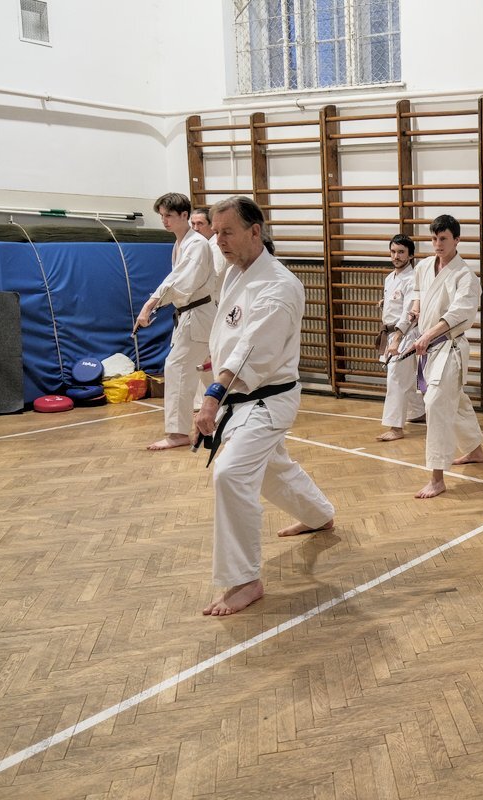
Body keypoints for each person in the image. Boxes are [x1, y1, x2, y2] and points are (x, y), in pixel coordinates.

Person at [195, 196, 335, 616]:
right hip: (243, 396)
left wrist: (213, 393)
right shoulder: (238, 271)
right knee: (272, 468)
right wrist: (215, 360)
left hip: (266, 399)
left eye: (227, 232)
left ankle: (244, 578)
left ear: (255, 231)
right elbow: (234, 331)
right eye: (215, 232)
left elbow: (255, 348)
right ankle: (319, 514)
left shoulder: (279, 285)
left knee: (232, 473)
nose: (218, 241)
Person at [409, 215, 483, 498]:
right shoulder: (424, 267)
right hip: (427, 346)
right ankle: (475, 450)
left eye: (443, 239)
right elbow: (417, 295)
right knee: (457, 401)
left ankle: (437, 477)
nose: (437, 244)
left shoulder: (465, 276)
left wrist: (428, 334)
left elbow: (458, 314)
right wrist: (413, 313)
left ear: (457, 239)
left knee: (437, 401)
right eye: (433, 239)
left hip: (448, 346)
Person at [136, 192, 219, 451]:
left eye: (169, 215)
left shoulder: (196, 244)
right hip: (192, 315)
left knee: (177, 367)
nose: (164, 221)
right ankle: (236, 412)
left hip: (198, 315)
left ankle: (177, 432)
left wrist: (150, 304)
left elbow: (180, 282)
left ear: (184, 215)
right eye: (161, 216)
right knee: (209, 370)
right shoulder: (181, 243)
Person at [376, 234, 426, 441]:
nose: (396, 256)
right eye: (393, 251)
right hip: (389, 332)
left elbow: (410, 312)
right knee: (404, 376)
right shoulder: (391, 277)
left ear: (411, 255)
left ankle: (396, 428)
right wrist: (384, 303)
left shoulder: (412, 279)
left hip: (404, 334)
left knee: (396, 379)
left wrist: (397, 338)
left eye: (401, 252)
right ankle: (418, 412)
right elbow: (397, 302)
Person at [191, 205, 229, 293]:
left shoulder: (217, 245)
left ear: (212, 225)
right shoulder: (202, 243)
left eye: (200, 224)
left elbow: (215, 274)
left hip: (215, 298)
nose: (195, 228)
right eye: (193, 224)